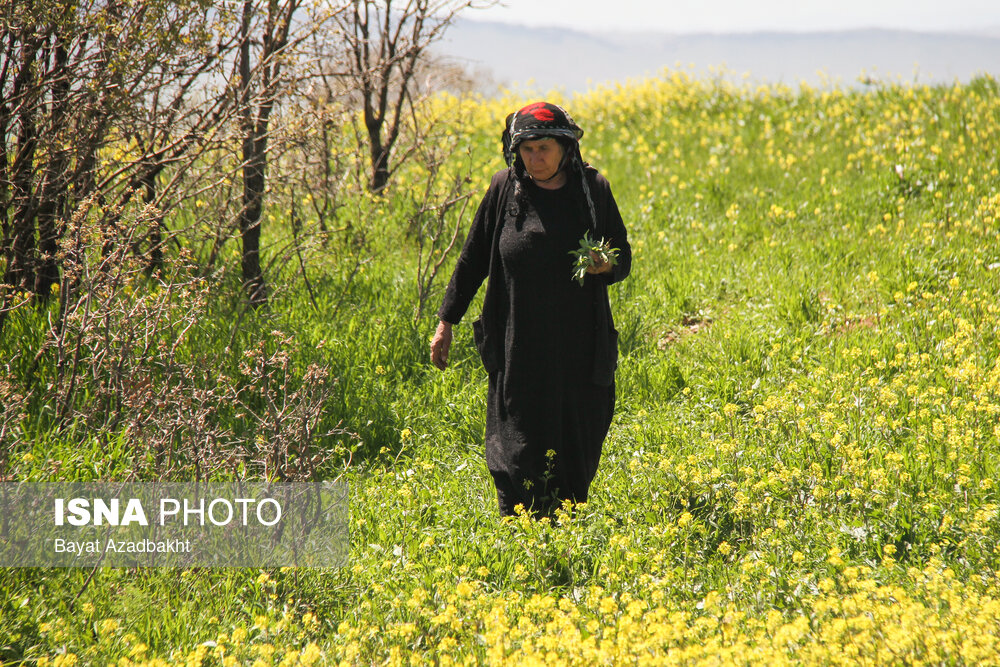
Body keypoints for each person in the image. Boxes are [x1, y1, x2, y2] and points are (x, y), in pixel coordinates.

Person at [430, 101, 631, 517]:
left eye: (544, 148)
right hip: (517, 351)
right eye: (526, 150)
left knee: (574, 455)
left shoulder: (593, 190)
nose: (535, 159)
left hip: (579, 354)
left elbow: (622, 256)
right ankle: (521, 537)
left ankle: (565, 542)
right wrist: (445, 321)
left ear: (565, 148)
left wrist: (605, 264)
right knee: (514, 455)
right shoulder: (505, 189)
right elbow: (472, 260)